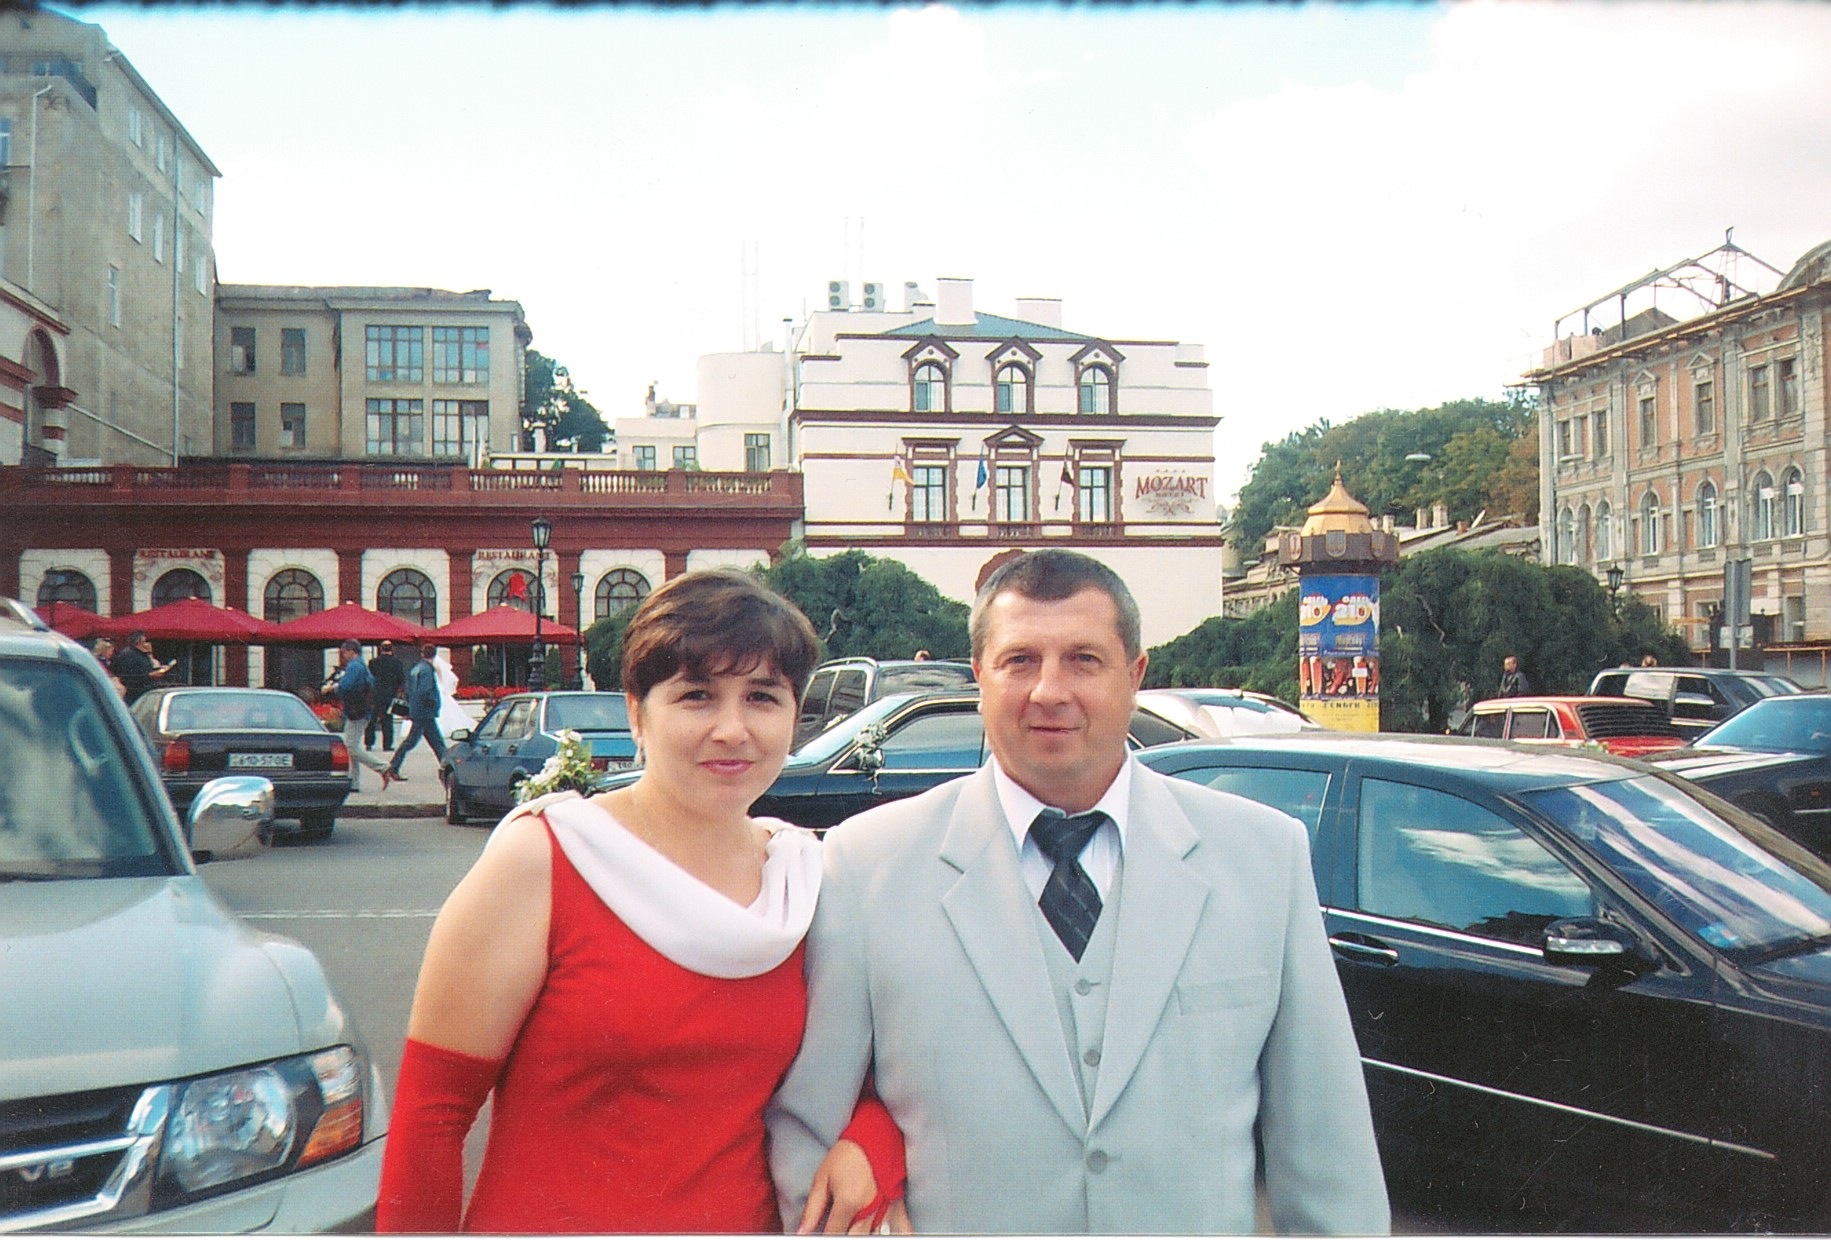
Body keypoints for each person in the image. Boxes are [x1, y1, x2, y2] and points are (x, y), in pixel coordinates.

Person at [767, 548, 1388, 1233]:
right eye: (1020, 660)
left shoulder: (1263, 856)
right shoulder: (867, 865)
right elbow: (808, 1132)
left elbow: (1328, 1158)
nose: (1049, 691)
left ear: (1135, 676)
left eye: (1083, 660)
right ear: (979, 676)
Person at [378, 570, 905, 1233]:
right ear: (636, 713)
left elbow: (890, 1076)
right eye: (696, 696)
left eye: (762, 697)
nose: (732, 729)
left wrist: (873, 1145)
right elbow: (432, 1116)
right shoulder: (545, 861)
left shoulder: (803, 880)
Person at [323, 639, 394, 792]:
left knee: (351, 747)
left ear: (351, 651)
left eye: (344, 652)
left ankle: (382, 767)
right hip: (361, 709)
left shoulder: (354, 666)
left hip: (355, 710)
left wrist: (332, 688)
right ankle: (354, 782)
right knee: (353, 745)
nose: (343, 656)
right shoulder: (362, 665)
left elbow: (346, 685)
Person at [384, 643, 449, 784]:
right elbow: (425, 691)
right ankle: (448, 769)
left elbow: (409, 690)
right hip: (425, 712)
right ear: (435, 654)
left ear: (422, 654)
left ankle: (446, 768)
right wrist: (434, 703)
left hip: (418, 711)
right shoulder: (427, 670)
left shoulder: (416, 669)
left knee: (433, 742)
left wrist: (411, 707)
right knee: (426, 742)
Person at [366, 640, 407, 751]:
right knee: (388, 720)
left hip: (376, 694)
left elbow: (369, 678)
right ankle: (387, 745)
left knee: (372, 720)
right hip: (390, 694)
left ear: (381, 649)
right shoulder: (397, 663)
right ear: (392, 649)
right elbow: (401, 679)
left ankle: (369, 743)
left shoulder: (373, 662)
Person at [111, 630, 173, 703]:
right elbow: (131, 675)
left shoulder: (141, 654)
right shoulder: (129, 655)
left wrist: (158, 669)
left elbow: (146, 669)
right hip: (135, 691)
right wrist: (150, 675)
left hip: (145, 689)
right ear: (139, 641)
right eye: (144, 641)